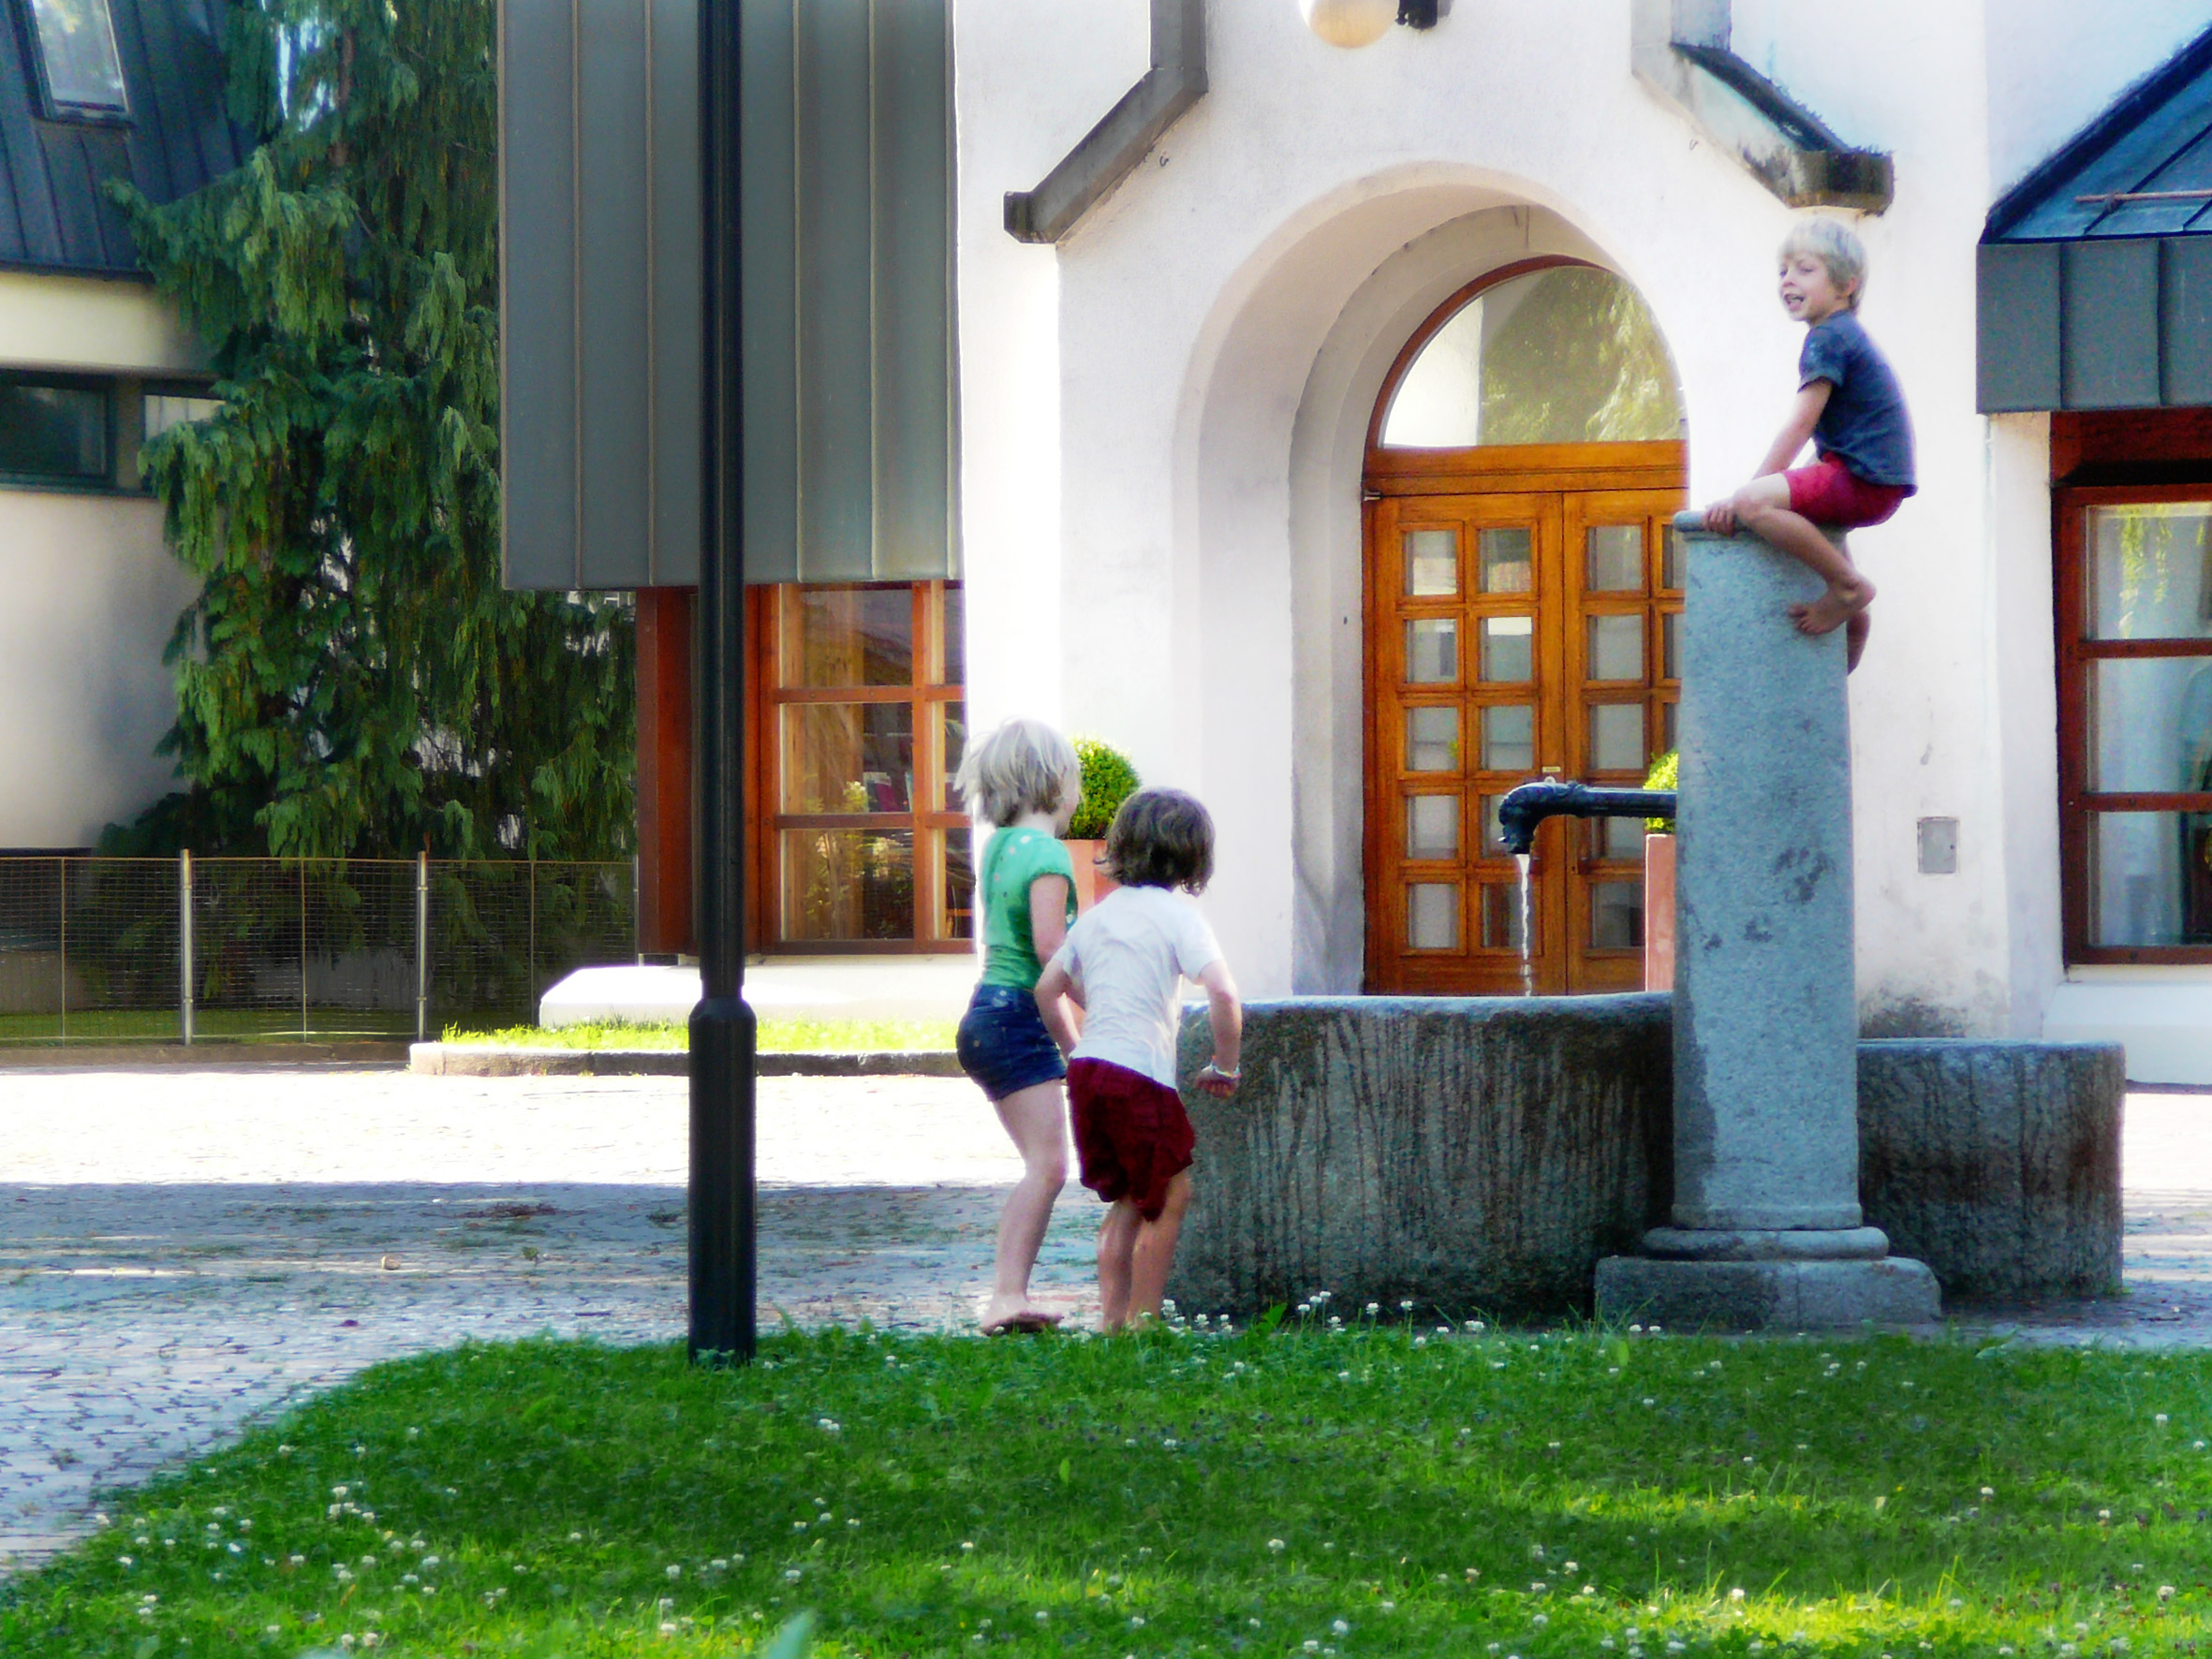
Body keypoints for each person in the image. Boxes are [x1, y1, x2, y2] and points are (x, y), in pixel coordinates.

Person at [1033, 788, 1242, 1332]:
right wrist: (1225, 1065)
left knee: (1127, 1197)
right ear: (1194, 856)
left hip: (1091, 1072)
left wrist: (1076, 1053)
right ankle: (1144, 1322)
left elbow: (1048, 988)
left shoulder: (1098, 917)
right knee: (1170, 1195)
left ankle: (1111, 1323)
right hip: (1140, 1078)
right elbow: (1223, 992)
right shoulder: (1178, 918)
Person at [1701, 215, 1915, 671]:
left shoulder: (1829, 337)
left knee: (1755, 503)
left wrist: (1744, 496)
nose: (1788, 280)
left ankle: (1848, 587)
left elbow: (1800, 424)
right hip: (1874, 481)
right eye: (1783, 270)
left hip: (1862, 480)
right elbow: (1838, 432)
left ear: (1846, 285)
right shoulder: (1845, 335)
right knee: (1798, 519)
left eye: (1805, 269)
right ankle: (1852, 627)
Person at [952, 718, 1084, 1335]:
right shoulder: (1050, 854)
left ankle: (1009, 1294)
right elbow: (1050, 951)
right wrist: (1097, 1014)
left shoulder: (1000, 845)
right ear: (1055, 781)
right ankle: (1005, 1297)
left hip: (986, 1012)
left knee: (1042, 1163)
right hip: (1015, 1018)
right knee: (1049, 1166)